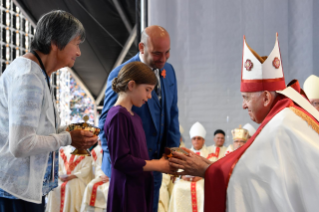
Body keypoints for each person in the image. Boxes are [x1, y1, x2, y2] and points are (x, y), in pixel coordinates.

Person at [169, 33, 319, 211]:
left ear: (265, 97)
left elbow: (261, 185)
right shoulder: (286, 112)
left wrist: (205, 170)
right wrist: (209, 165)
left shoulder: (282, 125)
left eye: (246, 97)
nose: (243, 105)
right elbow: (258, 175)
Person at [0, 10, 97, 212]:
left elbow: (34, 132)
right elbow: (20, 145)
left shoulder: (36, 72)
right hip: (16, 192)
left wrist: (69, 131)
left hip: (21, 189)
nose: (79, 52)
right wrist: (68, 138)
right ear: (55, 42)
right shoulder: (29, 76)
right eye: (77, 44)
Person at [98, 25, 180, 212]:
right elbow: (105, 123)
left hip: (156, 166)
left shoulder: (169, 71)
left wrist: (173, 156)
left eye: (168, 52)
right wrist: (115, 168)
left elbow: (172, 114)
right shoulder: (122, 73)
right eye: (158, 53)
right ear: (142, 48)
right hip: (130, 171)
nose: (164, 59)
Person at [104, 61, 173, 212]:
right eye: (147, 90)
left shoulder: (134, 117)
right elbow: (121, 160)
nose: (149, 96)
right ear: (131, 85)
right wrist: (157, 165)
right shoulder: (118, 116)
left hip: (138, 187)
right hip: (126, 190)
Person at [168, 122, 211, 212]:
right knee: (177, 189)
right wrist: (182, 176)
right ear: (191, 140)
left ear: (204, 140)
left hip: (202, 181)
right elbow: (179, 170)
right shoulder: (186, 154)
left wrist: (201, 175)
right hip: (186, 181)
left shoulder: (210, 154)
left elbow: (212, 170)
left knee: (201, 190)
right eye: (194, 138)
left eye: (199, 138)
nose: (196, 141)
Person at [46, 145, 93, 212]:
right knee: (53, 187)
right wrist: (59, 175)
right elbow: (56, 165)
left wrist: (72, 176)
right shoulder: (63, 150)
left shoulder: (85, 151)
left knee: (70, 187)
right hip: (62, 178)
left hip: (77, 178)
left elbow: (86, 169)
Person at [81, 141, 109, 212]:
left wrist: (110, 177)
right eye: (99, 140)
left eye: (102, 140)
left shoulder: (112, 149)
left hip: (112, 178)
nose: (100, 142)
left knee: (107, 189)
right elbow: (97, 166)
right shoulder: (96, 150)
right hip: (101, 176)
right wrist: (101, 175)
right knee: (90, 186)